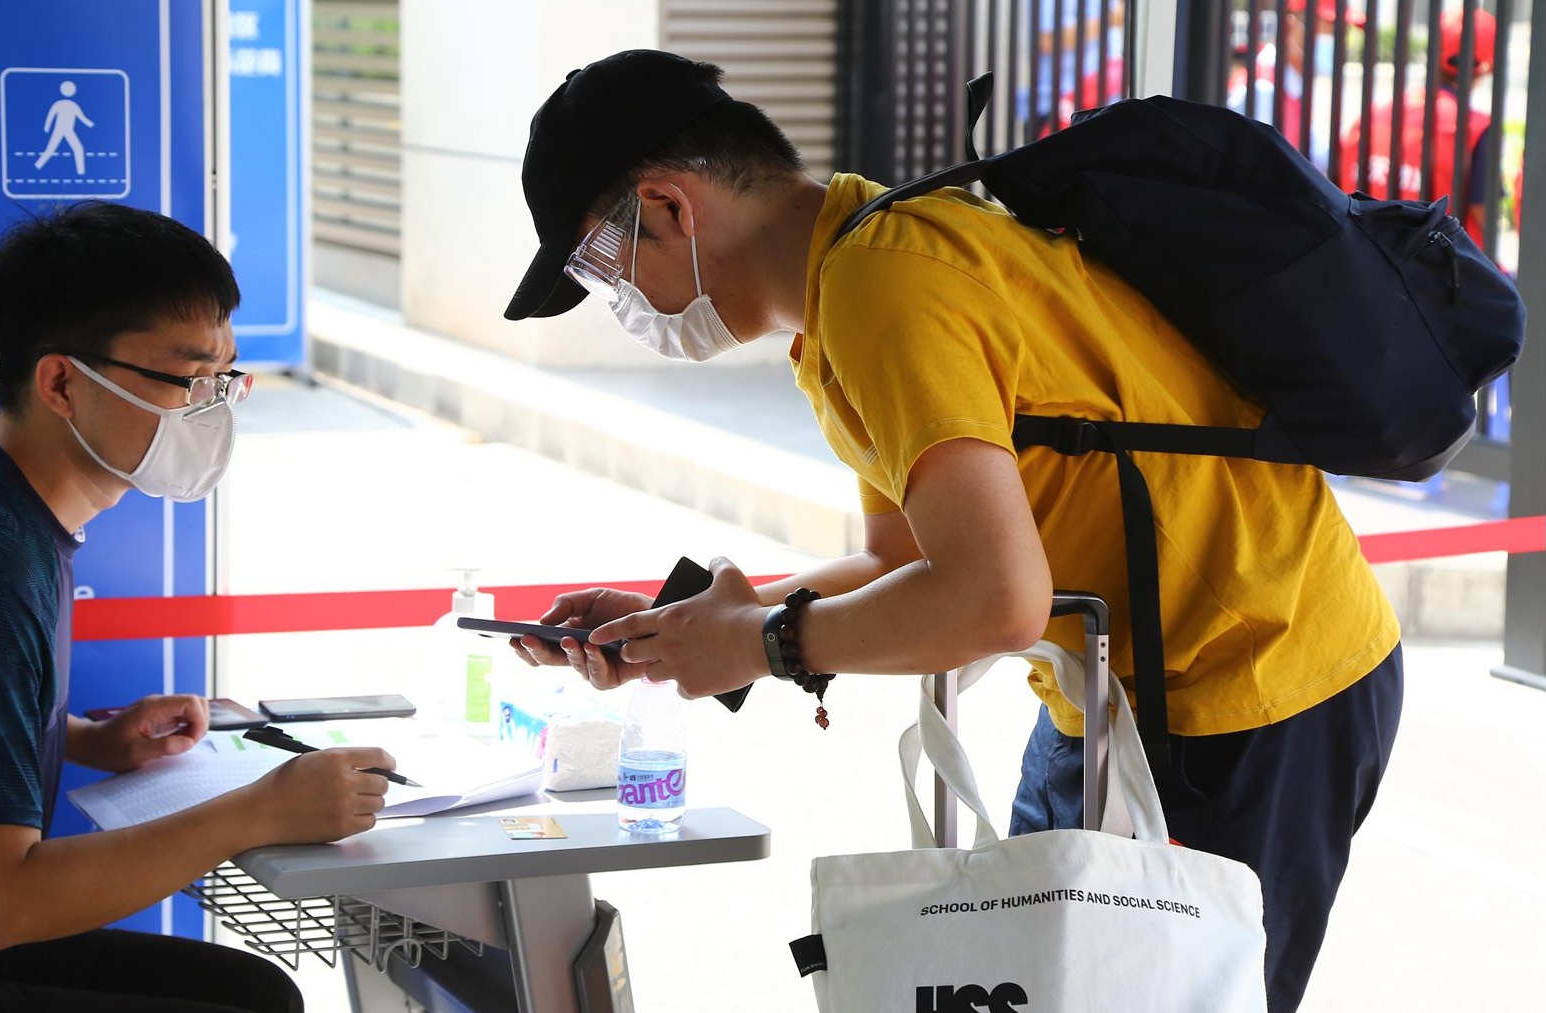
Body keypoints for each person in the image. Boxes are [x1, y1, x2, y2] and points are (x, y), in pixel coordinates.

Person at [503, 51, 1401, 1013]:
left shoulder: (885, 286)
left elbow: (992, 600)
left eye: (602, 262)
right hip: (1110, 692)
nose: (618, 301)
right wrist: (695, 628)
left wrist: (761, 644)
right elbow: (903, 564)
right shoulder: (848, 277)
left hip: (1250, 683)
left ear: (672, 208)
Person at [0, 203, 398, 1011]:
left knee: (255, 990)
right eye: (188, 378)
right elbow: (4, 905)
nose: (215, 406)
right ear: (60, 382)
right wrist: (262, 810)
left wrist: (91, 738)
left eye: (227, 376)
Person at [1338, 8, 1501, 250]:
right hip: (1436, 275)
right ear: (1486, 66)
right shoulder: (1473, 127)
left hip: (1361, 262)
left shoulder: (1375, 114)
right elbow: (1484, 214)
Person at [1227, 0, 1363, 171]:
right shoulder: (1263, 91)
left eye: (1345, 32)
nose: (1340, 41)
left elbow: (1317, 155)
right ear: (1290, 27)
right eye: (1330, 28)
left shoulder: (1289, 86)